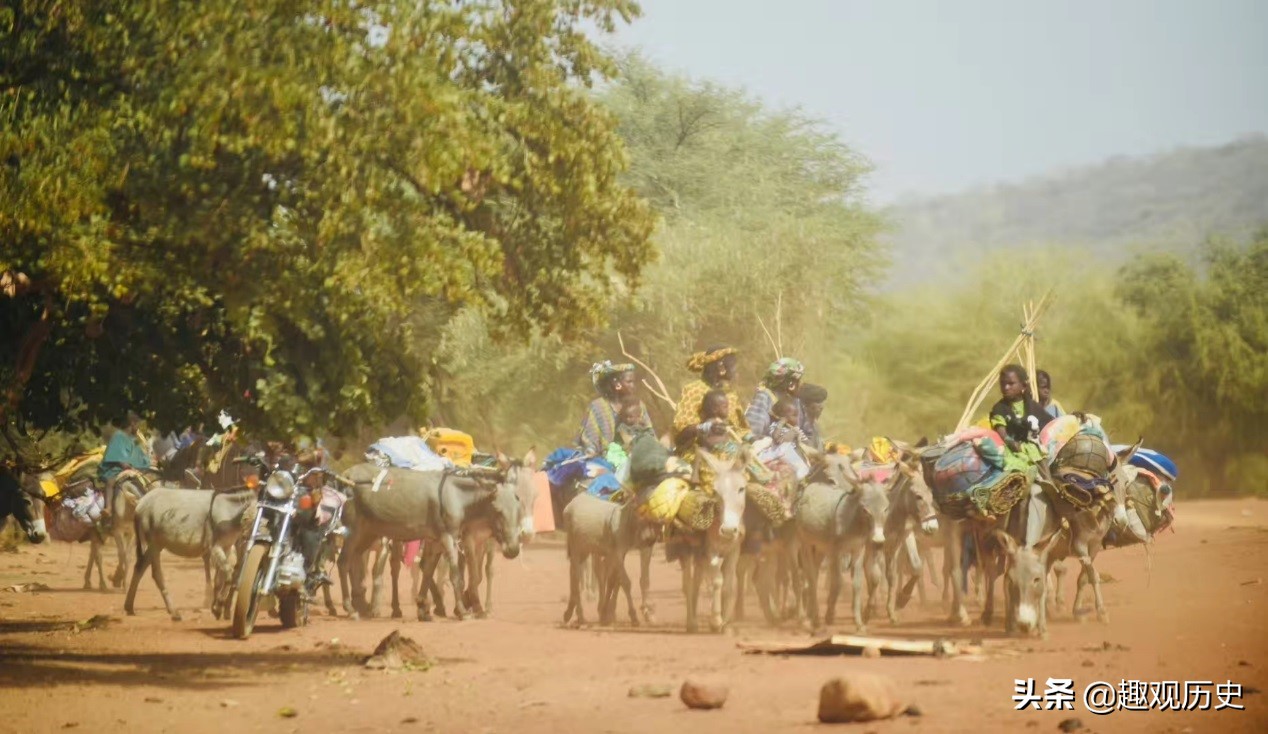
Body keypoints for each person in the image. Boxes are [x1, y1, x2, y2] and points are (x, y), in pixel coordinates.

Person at [988, 365, 1054, 547]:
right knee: (1016, 477)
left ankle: (1057, 512)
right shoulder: (1000, 408)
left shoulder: (1032, 406)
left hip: (1033, 449)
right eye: (1003, 384)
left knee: (1049, 478)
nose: (1006, 388)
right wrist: (1010, 441)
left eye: (1011, 384)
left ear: (1023, 386)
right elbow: (1000, 429)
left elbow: (1050, 423)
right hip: (1013, 451)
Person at [672, 345, 745, 448]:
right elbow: (680, 435)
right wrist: (705, 428)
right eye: (733, 366)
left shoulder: (730, 394)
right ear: (721, 368)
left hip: (731, 451)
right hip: (699, 453)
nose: (736, 371)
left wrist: (752, 438)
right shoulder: (693, 391)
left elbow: (742, 430)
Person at [577, 361, 652, 458]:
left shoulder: (639, 405)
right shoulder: (598, 407)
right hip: (604, 460)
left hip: (637, 457)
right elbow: (590, 440)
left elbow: (649, 432)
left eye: (634, 382)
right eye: (629, 382)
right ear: (617, 384)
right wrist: (593, 451)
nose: (633, 386)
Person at [745, 357, 806, 438]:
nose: (799, 384)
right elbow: (754, 432)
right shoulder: (764, 397)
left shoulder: (794, 401)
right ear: (791, 384)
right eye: (798, 380)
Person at [798, 383, 828, 451]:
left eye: (822, 402)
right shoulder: (800, 427)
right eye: (818, 402)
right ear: (805, 406)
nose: (821, 406)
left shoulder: (815, 425)